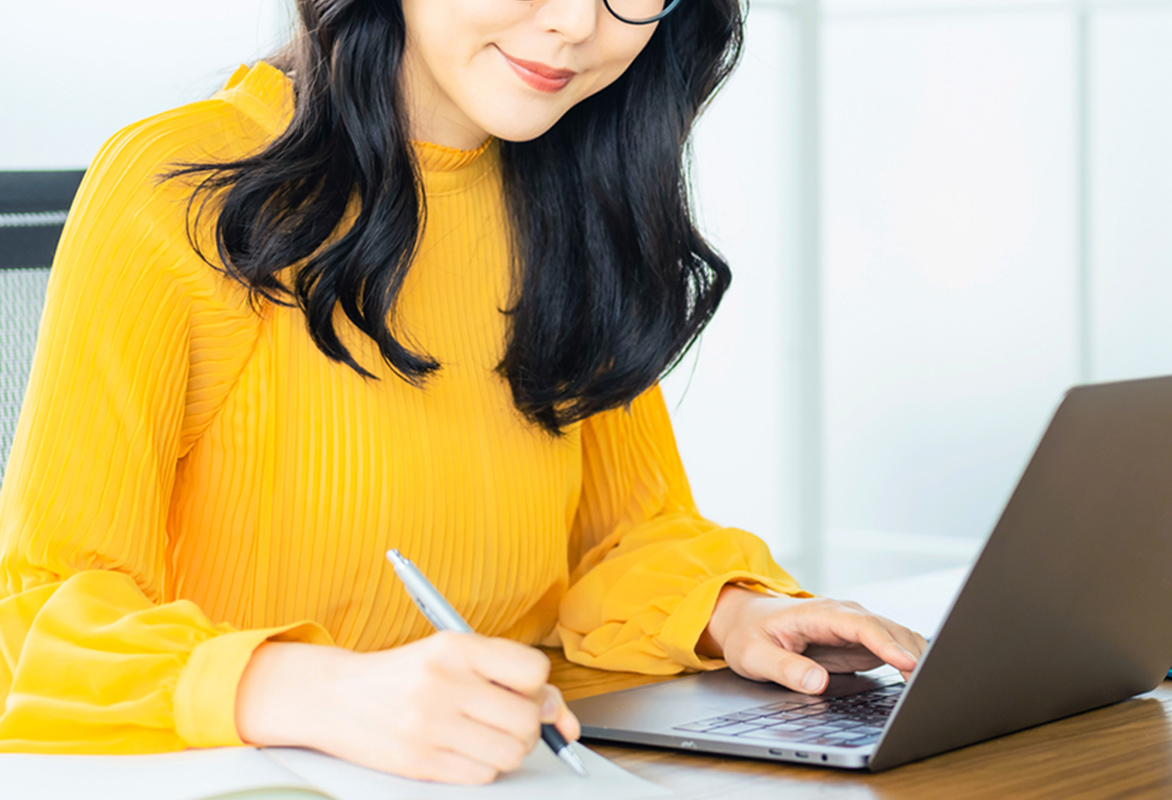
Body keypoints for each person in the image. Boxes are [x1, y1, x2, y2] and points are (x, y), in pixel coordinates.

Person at [0, 0, 927, 786]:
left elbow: (618, 541)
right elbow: (33, 619)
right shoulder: (179, 189)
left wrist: (735, 613)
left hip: (516, 771)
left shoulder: (568, 186)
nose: (574, 25)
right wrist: (318, 691)